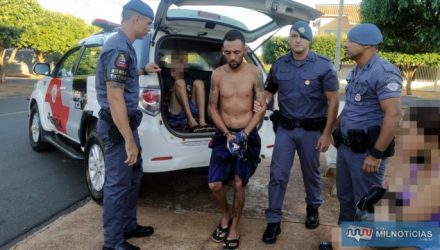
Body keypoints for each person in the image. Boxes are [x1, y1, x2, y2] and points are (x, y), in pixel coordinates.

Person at [255, 20, 339, 244]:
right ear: (289, 39)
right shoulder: (280, 64)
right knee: (277, 174)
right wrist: (262, 101)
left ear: (309, 39)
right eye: (293, 35)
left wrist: (327, 133)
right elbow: (269, 90)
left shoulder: (323, 65)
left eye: (302, 36)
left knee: (311, 174)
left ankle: (313, 207)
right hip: (286, 129)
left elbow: (333, 101)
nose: (298, 39)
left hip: (312, 131)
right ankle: (273, 221)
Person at [95, 0, 161, 249]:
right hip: (118, 128)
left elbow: (123, 74)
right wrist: (129, 140)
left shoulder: (125, 46)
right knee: (117, 185)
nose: (149, 28)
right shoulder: (118, 48)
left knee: (133, 177)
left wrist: (143, 70)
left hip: (126, 126)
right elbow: (115, 96)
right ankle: (112, 243)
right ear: (135, 19)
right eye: (148, 23)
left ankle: (128, 226)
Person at [333, 23, 402, 225]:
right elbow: (353, 105)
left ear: (366, 45)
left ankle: (363, 245)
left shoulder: (383, 72)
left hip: (366, 153)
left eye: (350, 41)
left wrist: (376, 154)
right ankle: (344, 243)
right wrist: (336, 125)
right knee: (345, 199)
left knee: (364, 205)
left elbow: (394, 114)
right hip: (347, 148)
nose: (345, 45)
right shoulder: (357, 71)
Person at [207, 29, 266, 250]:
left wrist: (244, 134)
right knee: (214, 184)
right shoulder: (217, 74)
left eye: (237, 52)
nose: (232, 57)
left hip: (246, 134)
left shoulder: (254, 73)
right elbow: (212, 107)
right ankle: (226, 215)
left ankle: (234, 226)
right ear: (223, 51)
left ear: (245, 50)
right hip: (224, 134)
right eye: (228, 52)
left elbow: (261, 107)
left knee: (239, 183)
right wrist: (227, 134)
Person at [167, 51, 208, 131]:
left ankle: (202, 121)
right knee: (180, 82)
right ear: (172, 63)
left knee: (199, 83)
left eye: (184, 62)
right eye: (179, 61)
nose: (182, 64)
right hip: (175, 113)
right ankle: (190, 120)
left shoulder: (189, 77)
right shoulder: (165, 78)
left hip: (191, 109)